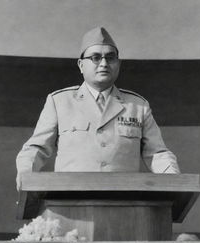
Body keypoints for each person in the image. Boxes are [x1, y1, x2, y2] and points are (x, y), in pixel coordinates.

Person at [16, 27, 180, 190]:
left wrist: (175, 182)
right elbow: (36, 149)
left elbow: (157, 154)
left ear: (119, 64)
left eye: (110, 58)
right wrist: (26, 178)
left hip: (124, 202)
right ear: (81, 65)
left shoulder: (137, 106)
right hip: (70, 201)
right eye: (95, 57)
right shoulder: (59, 102)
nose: (104, 63)